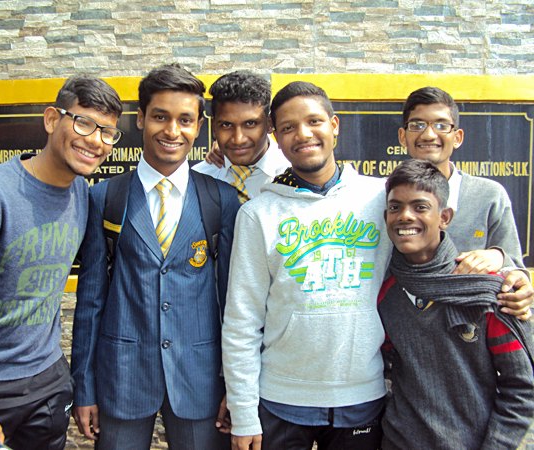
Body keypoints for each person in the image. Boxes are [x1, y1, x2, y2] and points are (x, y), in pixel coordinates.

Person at [0, 75, 123, 450]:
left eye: (107, 132)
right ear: (52, 119)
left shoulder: (81, 194)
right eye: (84, 123)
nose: (95, 140)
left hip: (47, 383)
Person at [70, 64, 240, 450]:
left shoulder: (220, 199)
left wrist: (236, 386)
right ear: (141, 118)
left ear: (199, 127)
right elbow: (90, 301)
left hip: (200, 379)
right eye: (160, 117)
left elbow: (233, 303)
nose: (172, 131)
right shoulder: (105, 197)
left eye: (185, 120)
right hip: (121, 377)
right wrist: (84, 387)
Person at [222, 81, 392, 450]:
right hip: (281, 399)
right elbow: (241, 321)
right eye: (288, 127)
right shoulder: (257, 214)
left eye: (314, 121)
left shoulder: (382, 198)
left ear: (334, 125)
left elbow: (435, 241)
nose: (303, 134)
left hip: (361, 395)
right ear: (276, 138)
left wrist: (498, 258)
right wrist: (244, 411)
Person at [377, 159, 534, 449]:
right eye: (395, 207)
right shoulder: (387, 295)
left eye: (420, 207)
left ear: (445, 217)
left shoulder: (486, 295)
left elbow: (522, 387)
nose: (405, 216)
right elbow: (386, 368)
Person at [399, 86, 527, 280]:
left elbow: (515, 271)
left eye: (441, 125)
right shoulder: (384, 196)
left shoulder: (489, 196)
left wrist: (498, 257)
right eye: (417, 125)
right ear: (403, 136)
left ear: (457, 138)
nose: (428, 135)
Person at [192, 70, 289, 201]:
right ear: (214, 126)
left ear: (269, 124)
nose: (238, 139)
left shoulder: (295, 175)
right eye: (226, 125)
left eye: (250, 124)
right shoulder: (198, 179)